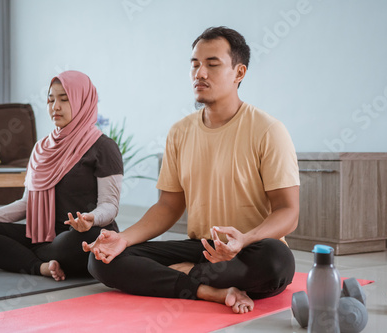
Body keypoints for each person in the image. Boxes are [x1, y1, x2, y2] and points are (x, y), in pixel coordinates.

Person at [83, 27, 300, 314]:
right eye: (195, 65)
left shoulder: (268, 130)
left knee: (276, 261)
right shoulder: (180, 132)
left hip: (251, 250)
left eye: (212, 64)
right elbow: (168, 206)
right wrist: (122, 239)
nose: (200, 73)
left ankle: (186, 275)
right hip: (204, 249)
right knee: (101, 260)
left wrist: (245, 239)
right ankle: (208, 290)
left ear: (239, 73)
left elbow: (288, 211)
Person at [0, 70, 123, 281]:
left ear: (82, 101)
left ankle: (32, 259)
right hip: (43, 236)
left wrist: (91, 219)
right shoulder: (42, 148)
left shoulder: (104, 147)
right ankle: (41, 266)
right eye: (50, 100)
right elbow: (27, 203)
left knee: (87, 239)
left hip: (82, 235)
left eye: (64, 99)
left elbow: (110, 206)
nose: (55, 106)